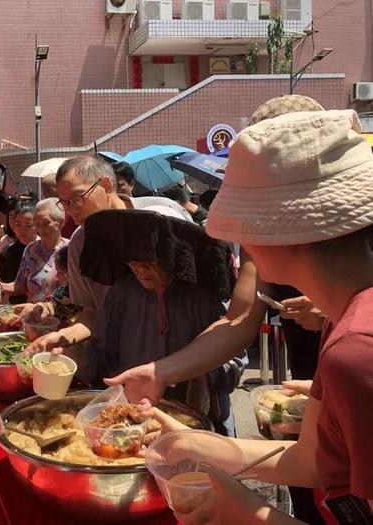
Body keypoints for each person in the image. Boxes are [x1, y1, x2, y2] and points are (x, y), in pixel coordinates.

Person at [153, 109, 373, 524]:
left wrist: (247, 513)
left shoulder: (357, 351)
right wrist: (193, 445)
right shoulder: (344, 322)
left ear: (275, 234)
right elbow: (312, 462)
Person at [80, 208, 243, 435]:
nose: (139, 268)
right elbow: (103, 351)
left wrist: (192, 373)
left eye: (149, 259)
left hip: (194, 418)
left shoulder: (203, 299)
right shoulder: (123, 293)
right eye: (132, 260)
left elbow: (232, 361)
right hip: (132, 415)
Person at [25, 156, 192, 354]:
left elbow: (201, 299)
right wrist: (63, 337)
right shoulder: (80, 243)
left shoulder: (164, 216)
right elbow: (93, 312)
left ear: (106, 185)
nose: (71, 212)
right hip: (123, 358)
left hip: (182, 354)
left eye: (77, 199)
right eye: (65, 204)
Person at [0, 198, 69, 302]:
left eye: (46, 223)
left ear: (61, 222)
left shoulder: (69, 249)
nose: (40, 229)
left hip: (60, 315)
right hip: (33, 314)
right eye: (37, 224)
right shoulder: (31, 250)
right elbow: (19, 285)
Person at [0, 199, 38, 284]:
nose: (22, 230)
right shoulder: (7, 253)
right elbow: (4, 281)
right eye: (18, 224)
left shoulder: (48, 249)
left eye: (28, 225)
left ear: (38, 225)